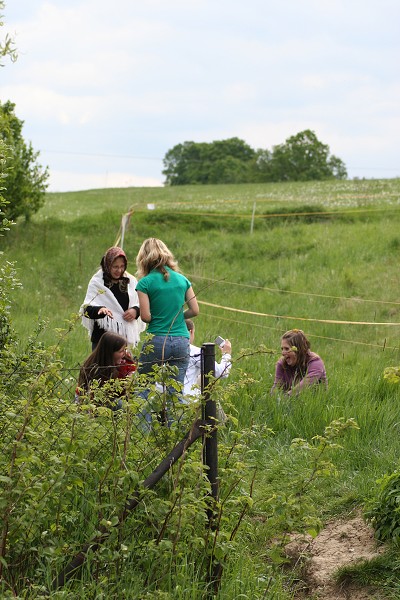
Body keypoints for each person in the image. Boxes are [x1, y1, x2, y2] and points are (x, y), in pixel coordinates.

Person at [135, 238, 199, 389]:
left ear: (143, 258)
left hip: (157, 339)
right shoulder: (183, 280)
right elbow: (195, 310)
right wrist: (175, 316)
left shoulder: (145, 283)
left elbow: (145, 317)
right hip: (181, 341)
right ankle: (172, 413)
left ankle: (146, 414)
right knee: (174, 391)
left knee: (144, 387)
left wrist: (160, 316)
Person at [80, 246, 146, 350]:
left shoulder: (130, 282)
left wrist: (135, 311)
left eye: (122, 266)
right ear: (107, 265)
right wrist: (100, 310)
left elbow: (141, 304)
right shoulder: (97, 282)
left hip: (122, 342)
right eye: (115, 267)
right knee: (101, 366)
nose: (119, 270)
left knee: (122, 366)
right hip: (102, 341)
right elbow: (86, 309)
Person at [76, 331, 136, 410]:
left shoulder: (125, 362)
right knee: (120, 404)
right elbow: (93, 397)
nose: (125, 353)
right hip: (95, 403)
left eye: (125, 350)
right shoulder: (94, 368)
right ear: (110, 353)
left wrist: (131, 380)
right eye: (121, 351)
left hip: (118, 399)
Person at [183, 319, 232, 398]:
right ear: (190, 332)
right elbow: (222, 372)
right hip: (185, 400)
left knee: (201, 377)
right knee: (210, 388)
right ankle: (214, 409)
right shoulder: (194, 351)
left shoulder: (161, 347)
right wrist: (226, 354)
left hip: (161, 399)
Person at [271, 329, 327, 396]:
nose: (283, 353)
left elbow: (304, 386)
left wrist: (285, 398)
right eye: (282, 349)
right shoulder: (281, 364)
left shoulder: (315, 362)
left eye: (287, 349)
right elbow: (276, 388)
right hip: (290, 403)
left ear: (298, 349)